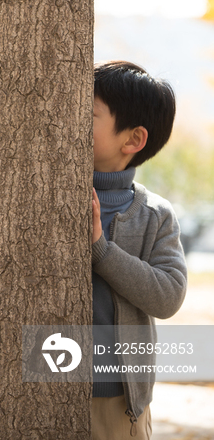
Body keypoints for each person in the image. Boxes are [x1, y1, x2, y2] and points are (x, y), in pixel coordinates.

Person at [91, 60, 187, 439]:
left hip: (116, 398)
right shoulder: (44, 194)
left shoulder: (154, 215)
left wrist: (101, 251)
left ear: (132, 140)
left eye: (88, 114)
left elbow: (168, 296)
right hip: (40, 382)